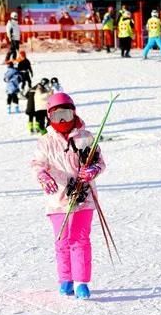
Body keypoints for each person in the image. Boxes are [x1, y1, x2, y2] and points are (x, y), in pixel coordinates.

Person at [30, 92, 106, 300]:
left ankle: (82, 282)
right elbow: (37, 163)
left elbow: (100, 162)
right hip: (58, 198)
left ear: (74, 113)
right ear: (49, 117)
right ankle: (66, 279)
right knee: (62, 239)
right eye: (57, 116)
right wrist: (43, 175)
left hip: (84, 196)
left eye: (66, 114)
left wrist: (92, 171)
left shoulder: (86, 137)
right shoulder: (45, 141)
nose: (62, 120)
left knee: (80, 239)